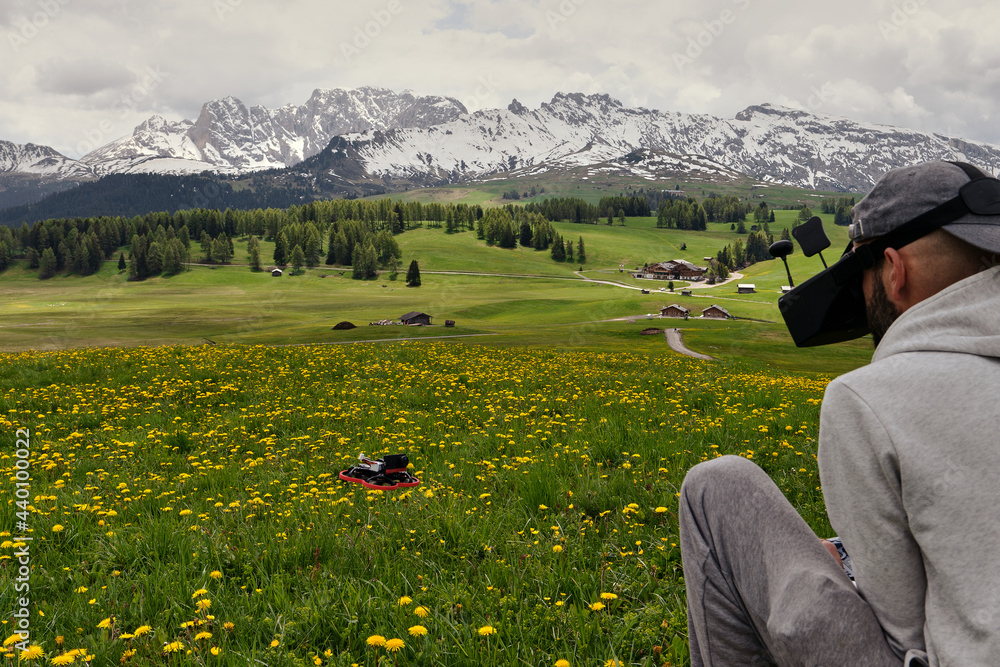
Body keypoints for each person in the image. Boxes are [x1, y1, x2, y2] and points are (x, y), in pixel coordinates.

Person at [679, 160, 1000, 666]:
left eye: (862, 275)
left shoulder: (870, 398)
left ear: (894, 270)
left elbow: (904, 632)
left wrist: (845, 573)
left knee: (717, 486)